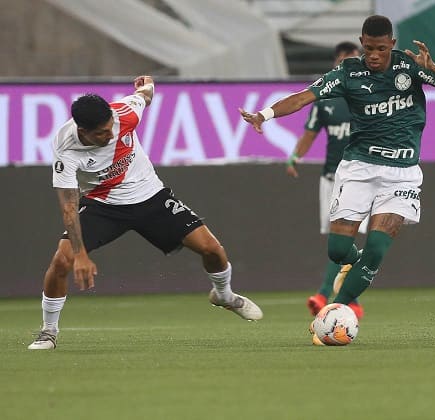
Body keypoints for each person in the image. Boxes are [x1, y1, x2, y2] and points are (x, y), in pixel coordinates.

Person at [240, 15, 435, 320]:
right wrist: (263, 115)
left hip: (402, 173)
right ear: (362, 43)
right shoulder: (347, 73)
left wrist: (433, 68)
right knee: (337, 249)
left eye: (381, 49)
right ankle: (355, 264)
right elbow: (304, 97)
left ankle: (335, 310)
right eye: (369, 48)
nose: (374, 55)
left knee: (376, 247)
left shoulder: (410, 67)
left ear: (392, 45)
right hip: (359, 167)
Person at [27, 76, 262, 350]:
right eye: (102, 133)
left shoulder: (124, 114)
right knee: (61, 261)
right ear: (83, 130)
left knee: (212, 249)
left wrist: (145, 84)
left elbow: (145, 96)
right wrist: (80, 255)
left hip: (151, 196)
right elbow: (68, 204)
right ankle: (48, 332)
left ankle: (224, 295)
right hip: (103, 205)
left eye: (110, 127)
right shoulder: (66, 149)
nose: (111, 134)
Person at [286, 41, 368, 318]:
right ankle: (350, 300)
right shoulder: (325, 100)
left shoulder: (368, 94)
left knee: (350, 240)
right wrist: (294, 157)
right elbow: (310, 134)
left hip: (363, 176)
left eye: (355, 58)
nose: (350, 63)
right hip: (332, 178)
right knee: (339, 243)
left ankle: (326, 294)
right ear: (336, 62)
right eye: (345, 59)